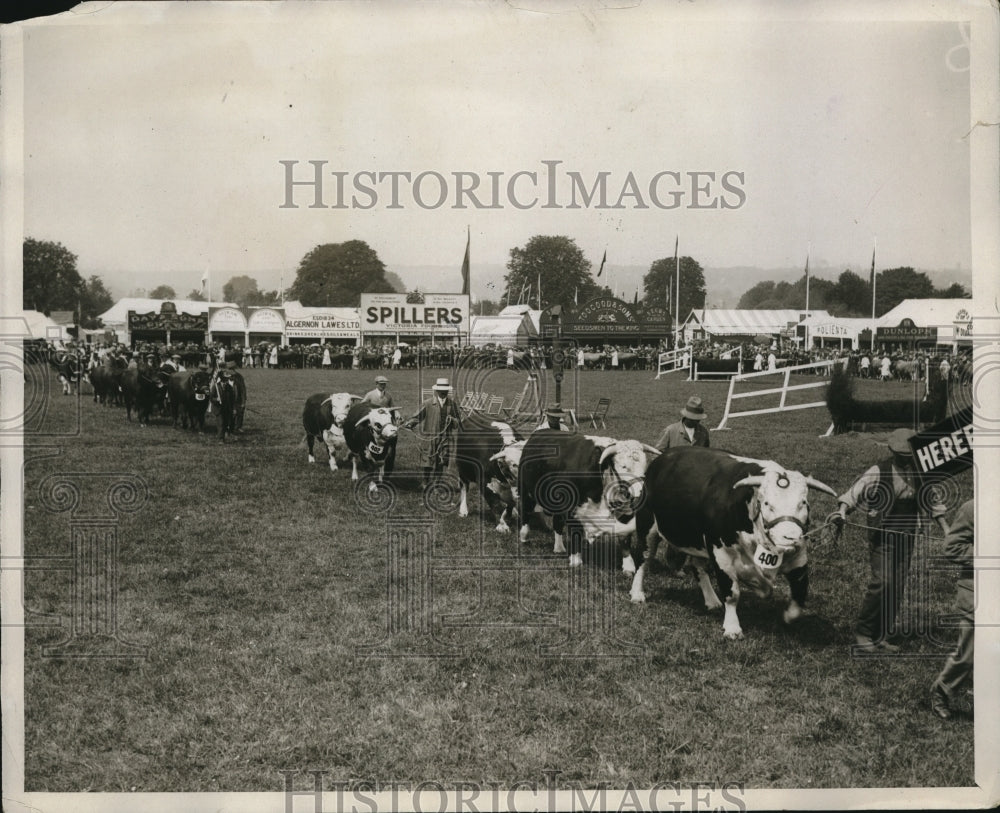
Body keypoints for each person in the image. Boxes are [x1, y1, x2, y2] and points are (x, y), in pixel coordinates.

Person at [828, 428, 949, 652]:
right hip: (882, 535)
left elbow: (932, 501)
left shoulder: (921, 472)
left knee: (896, 586)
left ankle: (881, 634)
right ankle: (863, 632)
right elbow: (854, 494)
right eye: (903, 455)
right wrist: (842, 512)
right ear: (893, 452)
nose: (907, 458)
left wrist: (946, 529)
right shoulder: (878, 471)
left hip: (907, 535)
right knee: (882, 582)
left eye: (910, 454)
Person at [931, 498, 974, 720]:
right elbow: (952, 547)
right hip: (977, 594)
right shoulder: (972, 509)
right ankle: (942, 691)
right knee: (968, 654)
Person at [404, 378, 464, 485]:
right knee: (428, 461)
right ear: (436, 391)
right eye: (441, 391)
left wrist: (452, 420)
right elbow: (418, 416)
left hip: (445, 439)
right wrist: (411, 423)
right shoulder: (428, 404)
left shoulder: (452, 405)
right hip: (430, 437)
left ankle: (437, 483)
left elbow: (458, 422)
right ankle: (425, 482)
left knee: (441, 461)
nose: (443, 393)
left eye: (445, 391)